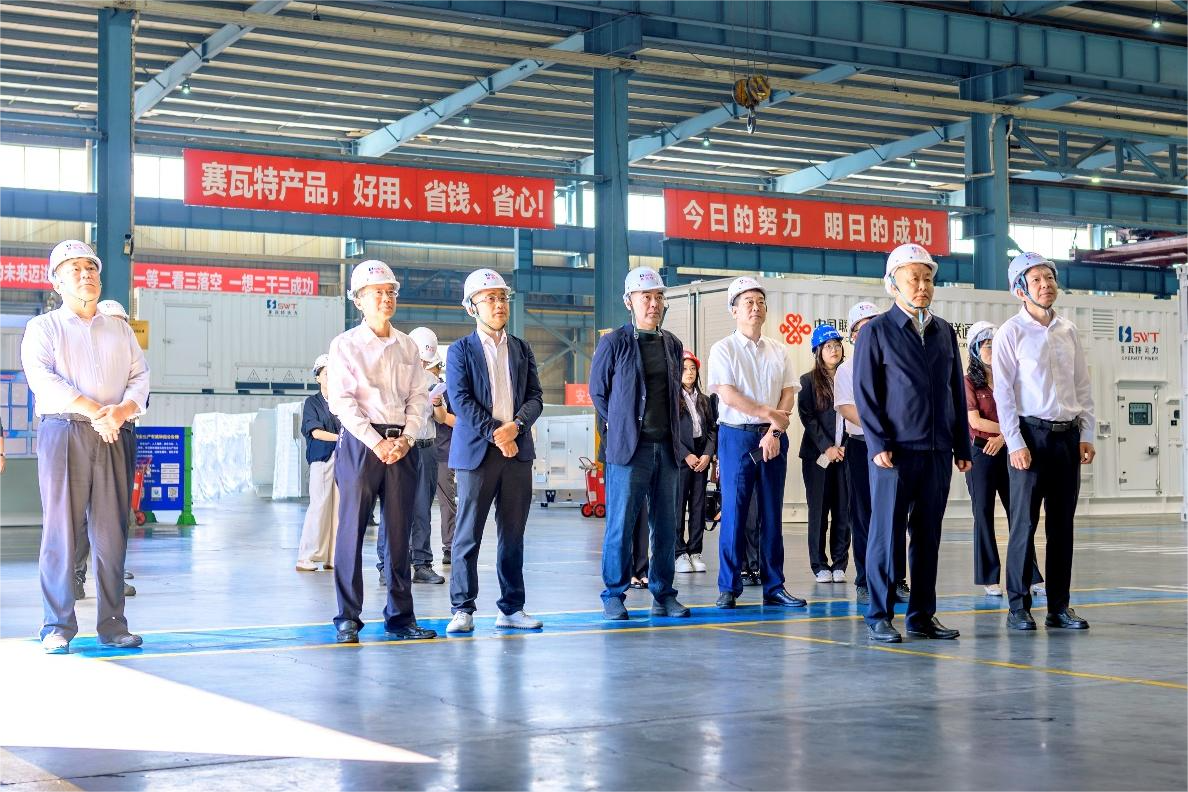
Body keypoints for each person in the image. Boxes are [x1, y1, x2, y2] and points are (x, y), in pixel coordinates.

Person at [22, 239, 149, 653]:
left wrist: (121, 411)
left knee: (112, 533)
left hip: (115, 432)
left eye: (90, 268)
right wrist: (97, 411)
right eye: (74, 269)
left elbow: (140, 377)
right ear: (57, 282)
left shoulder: (120, 329)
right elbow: (43, 378)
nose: (85, 275)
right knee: (61, 531)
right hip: (65, 432)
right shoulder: (44, 328)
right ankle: (57, 625)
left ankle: (113, 626)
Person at [854, 243, 971, 643]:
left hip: (937, 451)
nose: (922, 287)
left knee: (927, 536)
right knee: (886, 536)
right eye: (913, 279)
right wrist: (878, 444)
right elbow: (866, 394)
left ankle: (922, 615)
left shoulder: (943, 332)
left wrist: (961, 446)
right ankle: (879, 615)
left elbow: (955, 393)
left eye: (927, 279)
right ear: (892, 285)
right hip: (895, 453)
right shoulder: (876, 332)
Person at [327, 259, 436, 644]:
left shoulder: (407, 345)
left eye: (391, 292)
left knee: (398, 534)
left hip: (401, 446)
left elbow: (419, 396)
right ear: (358, 300)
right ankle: (347, 618)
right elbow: (342, 401)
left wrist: (406, 438)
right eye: (377, 292)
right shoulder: (345, 345)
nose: (386, 298)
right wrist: (377, 442)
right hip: (361, 445)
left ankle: (401, 618)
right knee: (351, 531)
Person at [993, 252, 1095, 632]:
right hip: (1030, 438)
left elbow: (1082, 386)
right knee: (1024, 525)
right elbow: (1004, 393)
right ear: (1020, 289)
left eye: (1049, 278)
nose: (1046, 285)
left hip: (1067, 438)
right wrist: (1014, 442)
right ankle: (1018, 606)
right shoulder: (1010, 333)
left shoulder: (1068, 331)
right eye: (1036, 279)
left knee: (1062, 527)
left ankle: (1059, 608)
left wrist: (1086, 433)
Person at [445, 269, 544, 633]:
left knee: (513, 534)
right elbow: (460, 400)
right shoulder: (460, 351)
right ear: (471, 307)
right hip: (477, 454)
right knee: (468, 533)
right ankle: (463, 608)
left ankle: (512, 609)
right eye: (489, 299)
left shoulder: (521, 348)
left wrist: (516, 427)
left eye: (502, 298)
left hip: (516, 451)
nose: (499, 304)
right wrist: (496, 434)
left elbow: (535, 397)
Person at [590, 267, 690, 621]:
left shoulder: (672, 344)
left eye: (658, 296)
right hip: (629, 451)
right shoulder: (614, 343)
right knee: (621, 524)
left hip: (667, 449)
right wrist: (622, 425)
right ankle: (613, 594)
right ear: (629, 301)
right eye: (645, 297)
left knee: (665, 526)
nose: (653, 303)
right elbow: (598, 392)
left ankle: (663, 593)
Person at [708, 276, 806, 611]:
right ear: (734, 310)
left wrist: (774, 431)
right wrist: (768, 414)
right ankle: (728, 586)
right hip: (737, 437)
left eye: (760, 302)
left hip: (773, 436)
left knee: (771, 513)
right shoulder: (723, 349)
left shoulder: (778, 350)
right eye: (748, 302)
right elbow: (728, 394)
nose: (755, 307)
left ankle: (774, 586)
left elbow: (789, 393)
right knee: (734, 513)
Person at [964, 322, 1045, 598]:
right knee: (983, 514)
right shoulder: (969, 382)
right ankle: (989, 576)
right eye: (986, 345)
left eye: (994, 344)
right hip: (981, 454)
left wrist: (1005, 438)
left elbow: (1021, 415)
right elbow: (975, 421)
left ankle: (1030, 575)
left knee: (1020, 514)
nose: (991, 350)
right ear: (975, 349)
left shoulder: (1011, 377)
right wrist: (1007, 432)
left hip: (1010, 450)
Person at [73, 298, 138, 600]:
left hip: (121, 436)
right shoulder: (83, 352)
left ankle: (113, 580)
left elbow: (141, 394)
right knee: (79, 518)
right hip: (84, 434)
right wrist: (104, 418)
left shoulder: (128, 358)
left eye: (123, 324)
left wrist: (121, 414)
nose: (119, 329)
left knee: (115, 516)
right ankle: (75, 577)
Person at [833, 300, 882, 605]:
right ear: (853, 335)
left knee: (891, 513)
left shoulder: (893, 362)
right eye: (863, 329)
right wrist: (878, 428)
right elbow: (846, 408)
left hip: (892, 445)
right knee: (863, 515)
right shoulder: (846, 369)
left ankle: (894, 578)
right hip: (862, 444)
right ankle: (865, 579)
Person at [798, 324, 849, 584]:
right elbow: (807, 417)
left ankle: (840, 563)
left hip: (846, 454)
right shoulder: (808, 381)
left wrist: (845, 446)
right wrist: (827, 447)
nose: (834, 350)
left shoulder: (850, 377)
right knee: (819, 510)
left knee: (843, 510)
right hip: (817, 457)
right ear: (818, 351)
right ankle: (819, 565)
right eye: (828, 346)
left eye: (837, 345)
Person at [406, 326, 447, 585]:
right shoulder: (398, 376)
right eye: (420, 360)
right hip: (405, 447)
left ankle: (422, 564)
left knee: (422, 509)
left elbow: (441, 418)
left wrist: (437, 403)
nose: (423, 365)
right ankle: (388, 565)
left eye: (426, 361)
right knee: (396, 508)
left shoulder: (433, 381)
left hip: (427, 448)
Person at [296, 353, 340, 572]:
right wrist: (341, 438)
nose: (331, 377)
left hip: (342, 459)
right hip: (322, 459)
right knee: (320, 505)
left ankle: (333, 556)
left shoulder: (343, 402)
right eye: (327, 373)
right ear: (318, 377)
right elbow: (315, 432)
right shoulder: (312, 403)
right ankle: (307, 556)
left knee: (339, 508)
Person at [675, 350, 716, 575]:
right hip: (681, 460)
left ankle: (695, 551)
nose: (689, 373)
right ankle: (679, 553)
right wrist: (685, 454)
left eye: (693, 369)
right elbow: (668, 432)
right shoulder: (672, 400)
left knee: (699, 507)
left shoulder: (704, 400)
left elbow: (712, 430)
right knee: (678, 506)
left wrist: (708, 455)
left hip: (701, 459)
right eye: (684, 369)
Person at [426, 345, 457, 566]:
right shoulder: (414, 387)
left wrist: (440, 411)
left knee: (446, 501)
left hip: (443, 453)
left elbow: (457, 421)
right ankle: (415, 548)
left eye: (432, 368)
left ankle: (450, 546)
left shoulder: (448, 391)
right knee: (418, 503)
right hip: (421, 452)